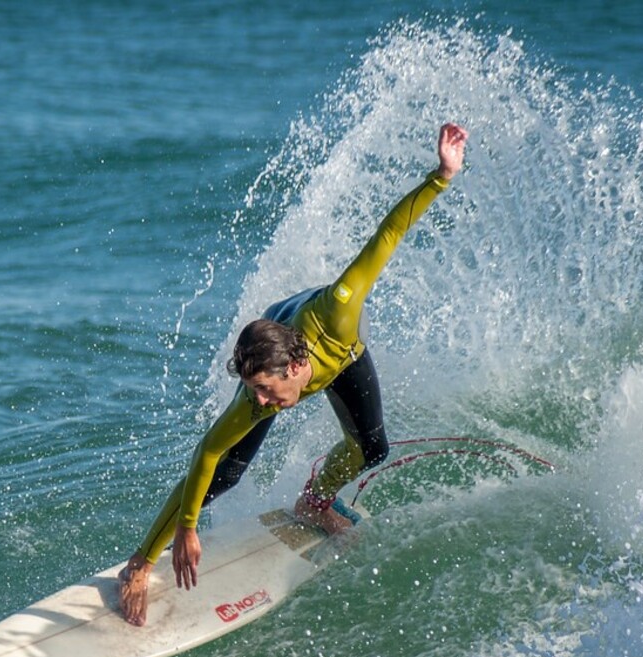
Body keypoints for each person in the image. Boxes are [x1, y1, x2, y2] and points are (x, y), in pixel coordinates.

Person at [118, 122, 469, 626]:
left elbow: (388, 234)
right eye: (252, 392)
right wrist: (187, 529)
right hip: (277, 331)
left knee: (373, 450)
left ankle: (315, 502)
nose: (258, 403)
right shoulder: (259, 389)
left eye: (264, 392)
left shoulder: (341, 306)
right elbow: (208, 450)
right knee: (226, 473)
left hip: (339, 353)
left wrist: (441, 176)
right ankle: (136, 563)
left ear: (296, 369)